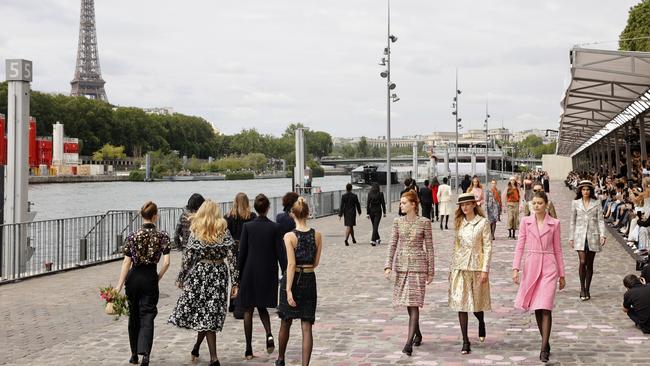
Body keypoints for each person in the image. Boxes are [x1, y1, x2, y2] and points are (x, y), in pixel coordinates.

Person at [168, 200, 239, 366]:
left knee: (207, 314)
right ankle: (213, 357)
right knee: (209, 314)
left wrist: (181, 277)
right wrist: (235, 281)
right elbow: (232, 258)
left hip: (201, 272)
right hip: (219, 273)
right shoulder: (223, 231)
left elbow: (188, 258)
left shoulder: (197, 231)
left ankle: (198, 349)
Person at [512, 191, 565, 363]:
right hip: (532, 265)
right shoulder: (525, 222)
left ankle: (543, 349)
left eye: (540, 203)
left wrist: (562, 274)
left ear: (546, 204)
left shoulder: (555, 224)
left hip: (549, 266)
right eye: (534, 203)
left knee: (546, 306)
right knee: (537, 306)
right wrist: (515, 268)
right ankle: (545, 341)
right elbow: (520, 246)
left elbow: (558, 249)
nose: (536, 206)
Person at [116, 201, 171, 366]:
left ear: (142, 215)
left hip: (134, 277)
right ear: (155, 216)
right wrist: (158, 277)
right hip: (150, 276)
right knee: (148, 314)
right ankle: (145, 354)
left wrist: (119, 285)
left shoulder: (132, 236)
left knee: (133, 315)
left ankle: (134, 354)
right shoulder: (162, 236)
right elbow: (167, 262)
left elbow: (126, 263)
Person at [384, 190, 434, 357]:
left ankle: (408, 343)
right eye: (400, 203)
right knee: (408, 303)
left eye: (404, 203)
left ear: (414, 204)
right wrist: (388, 265)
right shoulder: (398, 222)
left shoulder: (425, 222)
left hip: (419, 267)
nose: (401, 205)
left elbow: (430, 247)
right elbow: (392, 244)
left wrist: (431, 270)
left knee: (413, 304)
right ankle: (417, 333)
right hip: (402, 266)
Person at [238, 194, 287, 359]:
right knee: (262, 307)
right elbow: (281, 254)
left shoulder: (248, 227)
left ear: (255, 208)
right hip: (267, 273)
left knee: (248, 310)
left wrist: (237, 276)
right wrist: (286, 273)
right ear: (268, 208)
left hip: (249, 272)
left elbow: (242, 254)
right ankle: (269, 334)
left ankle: (248, 349)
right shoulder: (275, 228)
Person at [276, 198, 323, 366]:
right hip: (309, 278)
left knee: (285, 321)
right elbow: (316, 263)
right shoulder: (317, 235)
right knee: (306, 325)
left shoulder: (289, 236)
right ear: (308, 213)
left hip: (294, 278)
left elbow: (291, 264)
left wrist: (288, 290)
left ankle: (281, 359)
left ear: (292, 215)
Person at [448, 193, 492, 355]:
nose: (464, 207)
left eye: (467, 204)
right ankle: (465, 340)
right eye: (462, 205)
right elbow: (456, 247)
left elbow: (487, 247)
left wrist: (485, 269)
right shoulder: (459, 222)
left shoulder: (483, 223)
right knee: (461, 303)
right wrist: (451, 269)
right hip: (460, 267)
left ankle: (481, 321)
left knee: (476, 305)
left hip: (476, 266)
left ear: (474, 204)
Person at [569, 180, 606, 301]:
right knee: (582, 261)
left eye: (588, 189)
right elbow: (572, 221)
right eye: (584, 189)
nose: (586, 191)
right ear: (580, 190)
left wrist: (603, 235)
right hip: (579, 235)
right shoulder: (575, 203)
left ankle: (587, 288)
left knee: (590, 264)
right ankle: (582, 288)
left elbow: (600, 219)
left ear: (591, 191)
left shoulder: (597, 203)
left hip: (593, 234)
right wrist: (571, 237)